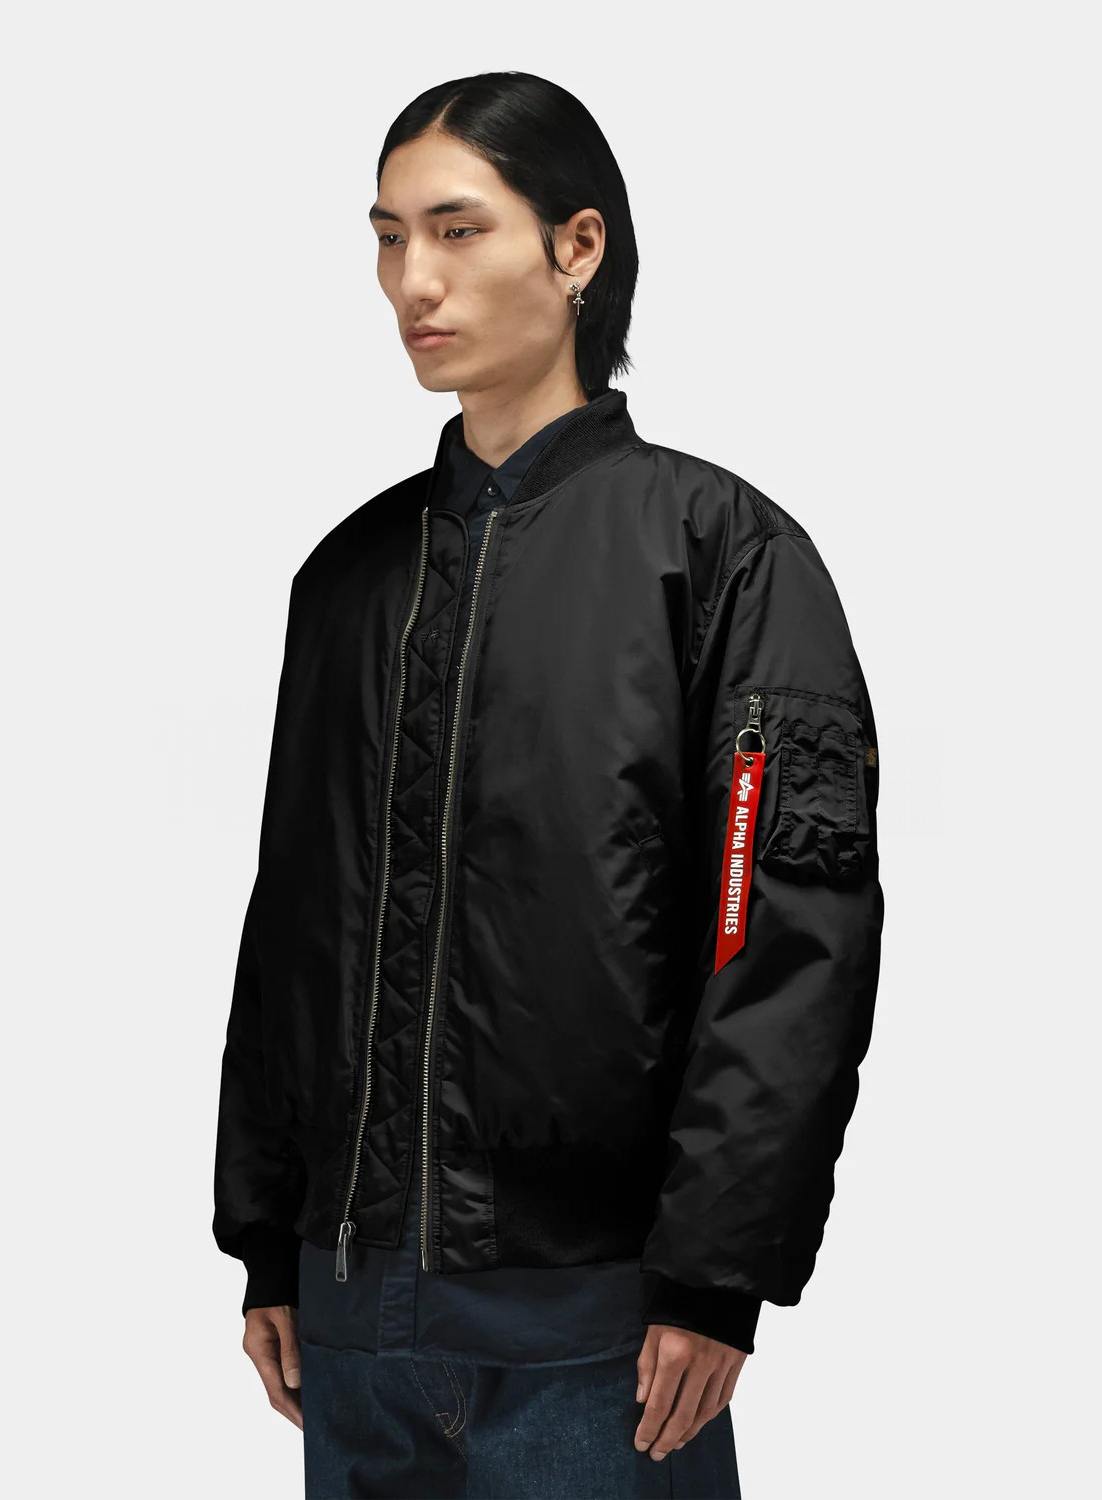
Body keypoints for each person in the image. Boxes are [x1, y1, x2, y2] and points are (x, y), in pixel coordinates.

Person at [213, 70, 884, 1500]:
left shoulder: (718, 551)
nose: (413, 280)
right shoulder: (348, 579)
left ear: (577, 246)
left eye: (457, 230)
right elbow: (292, 929)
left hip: (599, 1333)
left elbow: (781, 931)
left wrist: (713, 1271)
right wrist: (268, 1237)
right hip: (352, 1320)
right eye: (388, 237)